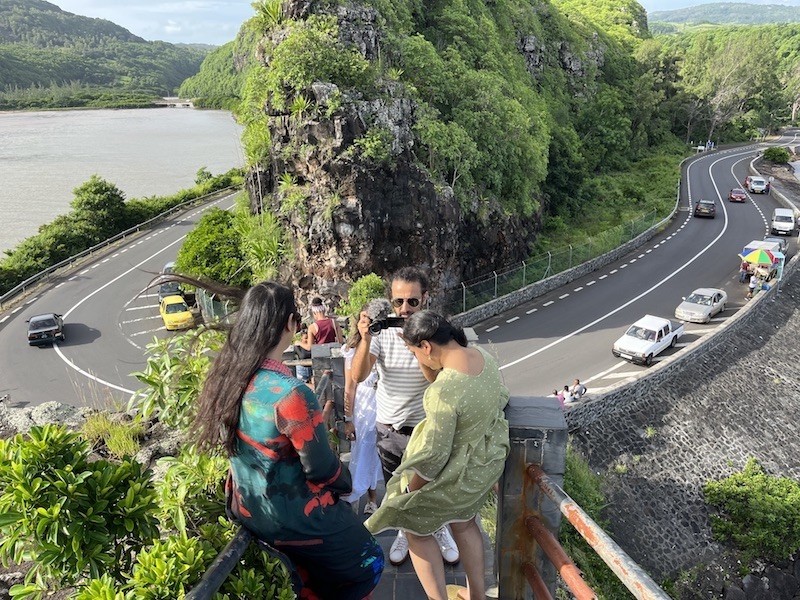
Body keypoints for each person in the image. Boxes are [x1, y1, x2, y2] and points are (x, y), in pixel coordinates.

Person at [169, 275, 383, 599]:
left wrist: (313, 425)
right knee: (370, 562)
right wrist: (346, 484)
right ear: (291, 324)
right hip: (290, 516)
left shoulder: (231, 376)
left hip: (249, 508)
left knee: (312, 578)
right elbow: (323, 470)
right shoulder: (291, 393)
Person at [365, 311, 510, 600]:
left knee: (412, 525)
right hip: (484, 464)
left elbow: (434, 458)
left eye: (415, 352)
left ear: (427, 347)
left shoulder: (444, 391)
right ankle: (477, 596)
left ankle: (438, 598)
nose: (418, 359)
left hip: (458, 474)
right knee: (465, 522)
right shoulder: (483, 357)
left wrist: (409, 490)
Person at [350, 267, 459, 567]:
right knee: (398, 489)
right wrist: (364, 339)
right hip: (390, 429)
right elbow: (359, 376)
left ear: (425, 298)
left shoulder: (437, 330)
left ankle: (438, 528)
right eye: (398, 302)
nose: (404, 309)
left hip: (427, 427)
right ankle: (404, 532)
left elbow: (437, 381)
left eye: (412, 302)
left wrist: (416, 346)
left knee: (431, 487)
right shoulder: (382, 334)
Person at [341, 299, 387, 515]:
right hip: (364, 408)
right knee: (363, 450)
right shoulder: (352, 350)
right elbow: (350, 386)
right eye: (363, 319)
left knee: (380, 454)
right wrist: (348, 419)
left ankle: (373, 498)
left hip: (386, 405)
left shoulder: (389, 343)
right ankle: (359, 495)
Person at [295, 296, 343, 385]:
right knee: (336, 385)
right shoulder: (334, 322)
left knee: (322, 385)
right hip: (333, 356)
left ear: (314, 312)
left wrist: (298, 343)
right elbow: (340, 341)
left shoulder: (312, 327)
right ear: (324, 310)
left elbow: (309, 347)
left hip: (320, 358)